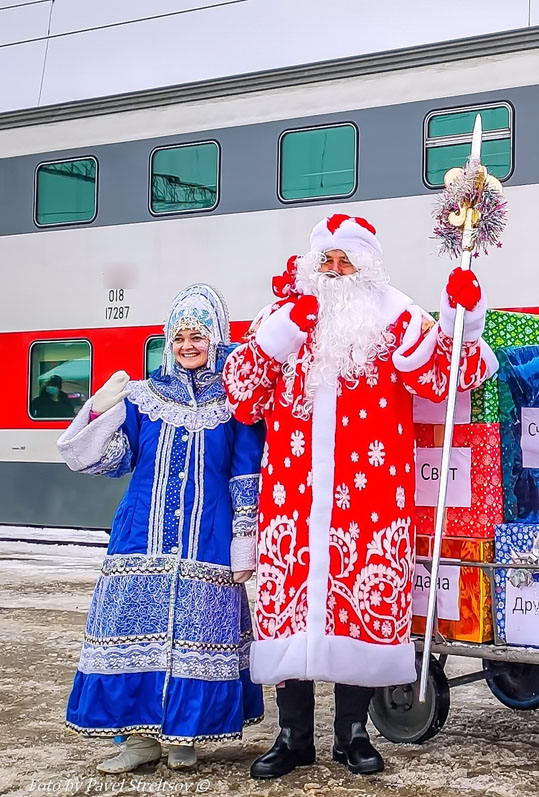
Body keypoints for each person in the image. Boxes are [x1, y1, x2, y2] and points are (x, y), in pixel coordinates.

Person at [223, 214, 495, 778]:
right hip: (293, 504)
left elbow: (451, 382)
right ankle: (293, 735)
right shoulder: (283, 317)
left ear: (368, 264)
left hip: (367, 502)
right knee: (290, 615)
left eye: (347, 259)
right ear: (312, 264)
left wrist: (461, 322)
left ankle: (352, 734)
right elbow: (241, 398)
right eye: (327, 259)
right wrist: (278, 340)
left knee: (358, 613)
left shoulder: (396, 315)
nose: (336, 269)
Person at [56, 284, 265, 773]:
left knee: (199, 633)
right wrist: (100, 408)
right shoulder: (143, 398)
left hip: (207, 539)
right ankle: (138, 741)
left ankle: (183, 737)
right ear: (167, 342)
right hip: (140, 537)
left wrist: (244, 537)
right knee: (135, 631)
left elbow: (245, 472)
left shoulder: (234, 403)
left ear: (215, 337)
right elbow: (94, 459)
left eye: (198, 335)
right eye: (179, 337)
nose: (188, 345)